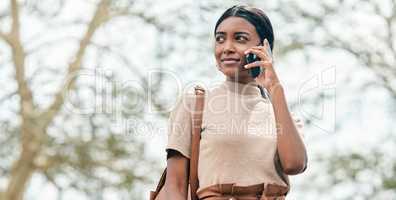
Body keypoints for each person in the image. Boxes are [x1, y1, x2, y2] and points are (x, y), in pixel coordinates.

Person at [163, 5, 307, 200]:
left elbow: (294, 165)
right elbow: (176, 185)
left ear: (264, 48)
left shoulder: (280, 113)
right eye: (220, 39)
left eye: (240, 38)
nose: (227, 47)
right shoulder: (195, 103)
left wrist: (275, 88)